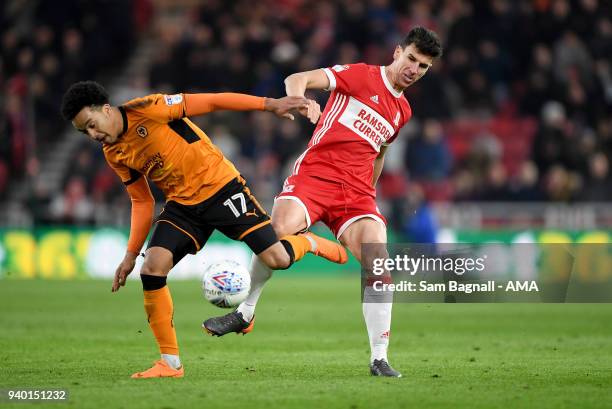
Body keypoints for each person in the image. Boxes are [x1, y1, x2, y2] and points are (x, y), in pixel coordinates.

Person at [60, 81, 347, 379]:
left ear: (106, 110)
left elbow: (212, 101)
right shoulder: (113, 152)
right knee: (152, 268)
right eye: (85, 132)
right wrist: (131, 254)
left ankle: (310, 243)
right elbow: (141, 200)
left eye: (92, 125)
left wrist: (269, 104)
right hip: (183, 206)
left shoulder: (150, 109)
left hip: (221, 188)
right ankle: (170, 364)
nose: (93, 135)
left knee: (277, 258)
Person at [204, 26, 443, 377]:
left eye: (423, 66)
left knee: (378, 264)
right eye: (411, 59)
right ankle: (246, 313)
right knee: (276, 235)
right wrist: (300, 101)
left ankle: (379, 358)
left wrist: (369, 194)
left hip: (357, 195)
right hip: (315, 177)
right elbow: (297, 78)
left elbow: (379, 153)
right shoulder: (360, 75)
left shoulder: (402, 111)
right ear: (397, 53)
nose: (414, 69)